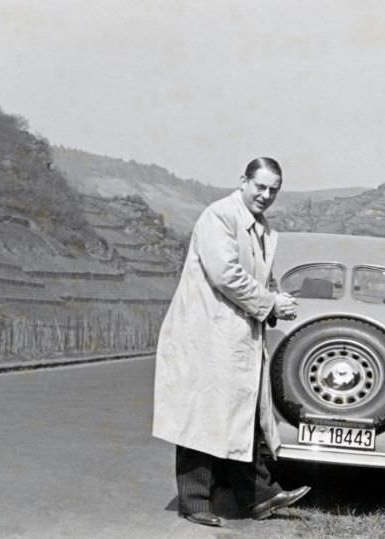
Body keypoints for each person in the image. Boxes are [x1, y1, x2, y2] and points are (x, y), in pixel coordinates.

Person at [152, 157, 310, 528]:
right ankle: (194, 500)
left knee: (242, 413)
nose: (266, 195)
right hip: (207, 330)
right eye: (261, 186)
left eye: (274, 190)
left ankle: (257, 495)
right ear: (243, 181)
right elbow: (226, 274)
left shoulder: (265, 231)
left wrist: (276, 302)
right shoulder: (219, 216)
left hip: (238, 334)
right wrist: (270, 303)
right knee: (201, 412)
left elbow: (260, 279)